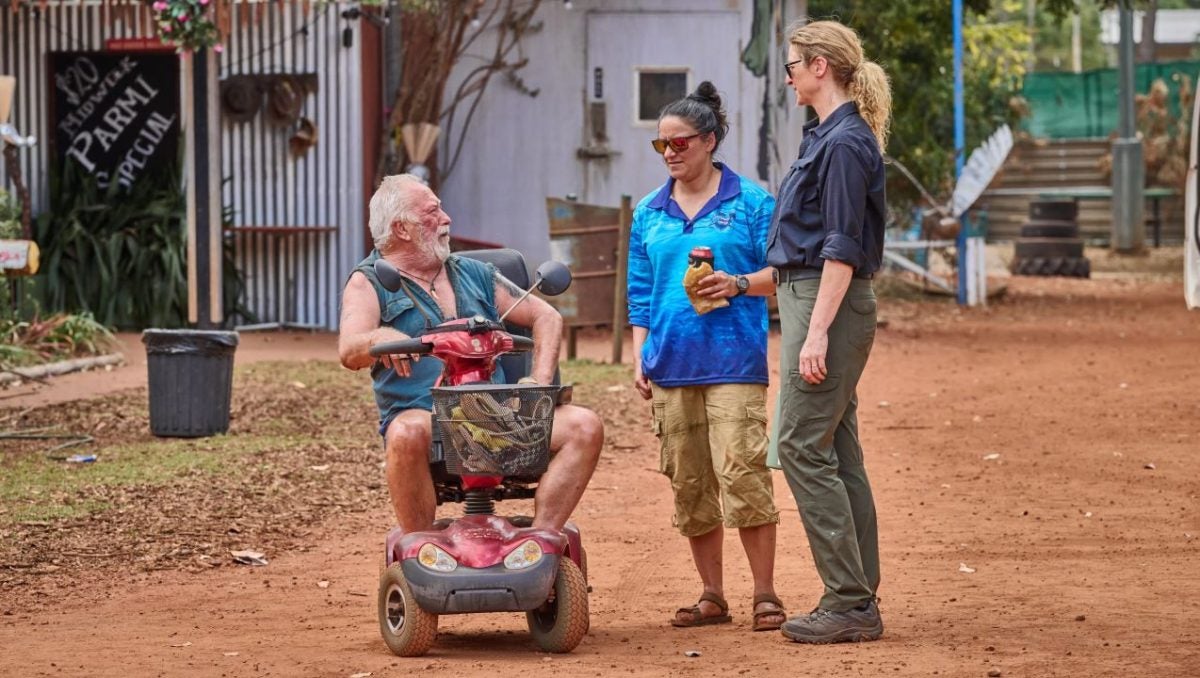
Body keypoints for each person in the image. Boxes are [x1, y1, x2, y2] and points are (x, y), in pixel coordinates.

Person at [338, 174, 603, 534]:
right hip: (425, 417)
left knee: (585, 426)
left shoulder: (474, 273)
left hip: (498, 412)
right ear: (401, 228)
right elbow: (349, 348)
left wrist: (537, 385)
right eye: (433, 212)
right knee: (404, 434)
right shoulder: (367, 281)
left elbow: (546, 315)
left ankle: (542, 539)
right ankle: (420, 549)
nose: (446, 219)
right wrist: (378, 338)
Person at [626, 82, 785, 632]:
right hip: (670, 364)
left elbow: (783, 274)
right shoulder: (649, 211)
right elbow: (640, 291)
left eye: (680, 143)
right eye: (661, 146)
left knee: (743, 471)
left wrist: (739, 284)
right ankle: (712, 595)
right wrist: (639, 354)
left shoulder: (753, 203)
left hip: (734, 362)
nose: (670, 153)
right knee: (690, 483)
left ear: (710, 141)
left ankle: (766, 594)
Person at [766, 20, 892, 644]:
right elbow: (808, 246)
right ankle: (858, 592)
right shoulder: (828, 135)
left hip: (828, 304)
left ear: (820, 66)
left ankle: (847, 600)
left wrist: (816, 334)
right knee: (837, 449)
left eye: (792, 66)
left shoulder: (843, 143)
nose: (787, 77)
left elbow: (840, 249)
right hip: (815, 299)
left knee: (798, 445)